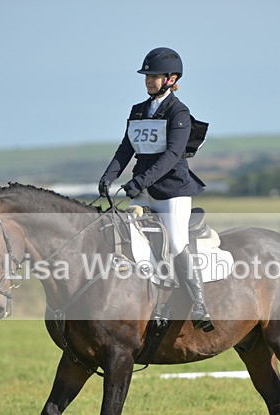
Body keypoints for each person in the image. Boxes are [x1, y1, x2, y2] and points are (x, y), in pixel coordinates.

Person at [98, 47, 214, 332]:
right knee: (123, 238)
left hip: (172, 191)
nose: (149, 80)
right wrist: (108, 176)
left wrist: (139, 182)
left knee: (175, 241)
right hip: (142, 190)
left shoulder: (179, 112)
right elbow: (126, 148)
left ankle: (199, 303)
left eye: (155, 76)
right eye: (147, 76)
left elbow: (172, 156)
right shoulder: (138, 110)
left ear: (171, 79)